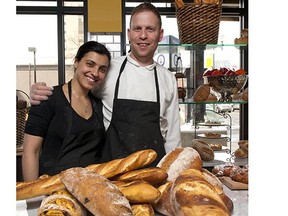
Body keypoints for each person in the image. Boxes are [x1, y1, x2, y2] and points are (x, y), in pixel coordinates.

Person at [29, 2, 181, 166]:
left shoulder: (167, 79)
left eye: (150, 29)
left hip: (153, 174)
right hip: (112, 175)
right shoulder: (108, 69)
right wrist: (42, 91)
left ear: (160, 34)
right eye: (137, 29)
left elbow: (172, 138)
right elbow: (75, 91)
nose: (143, 35)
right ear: (129, 34)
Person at [22, 41, 111, 181]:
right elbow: (30, 153)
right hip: (53, 188)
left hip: (89, 188)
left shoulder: (99, 105)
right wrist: (33, 198)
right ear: (76, 62)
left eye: (102, 69)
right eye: (90, 64)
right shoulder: (47, 99)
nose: (95, 73)